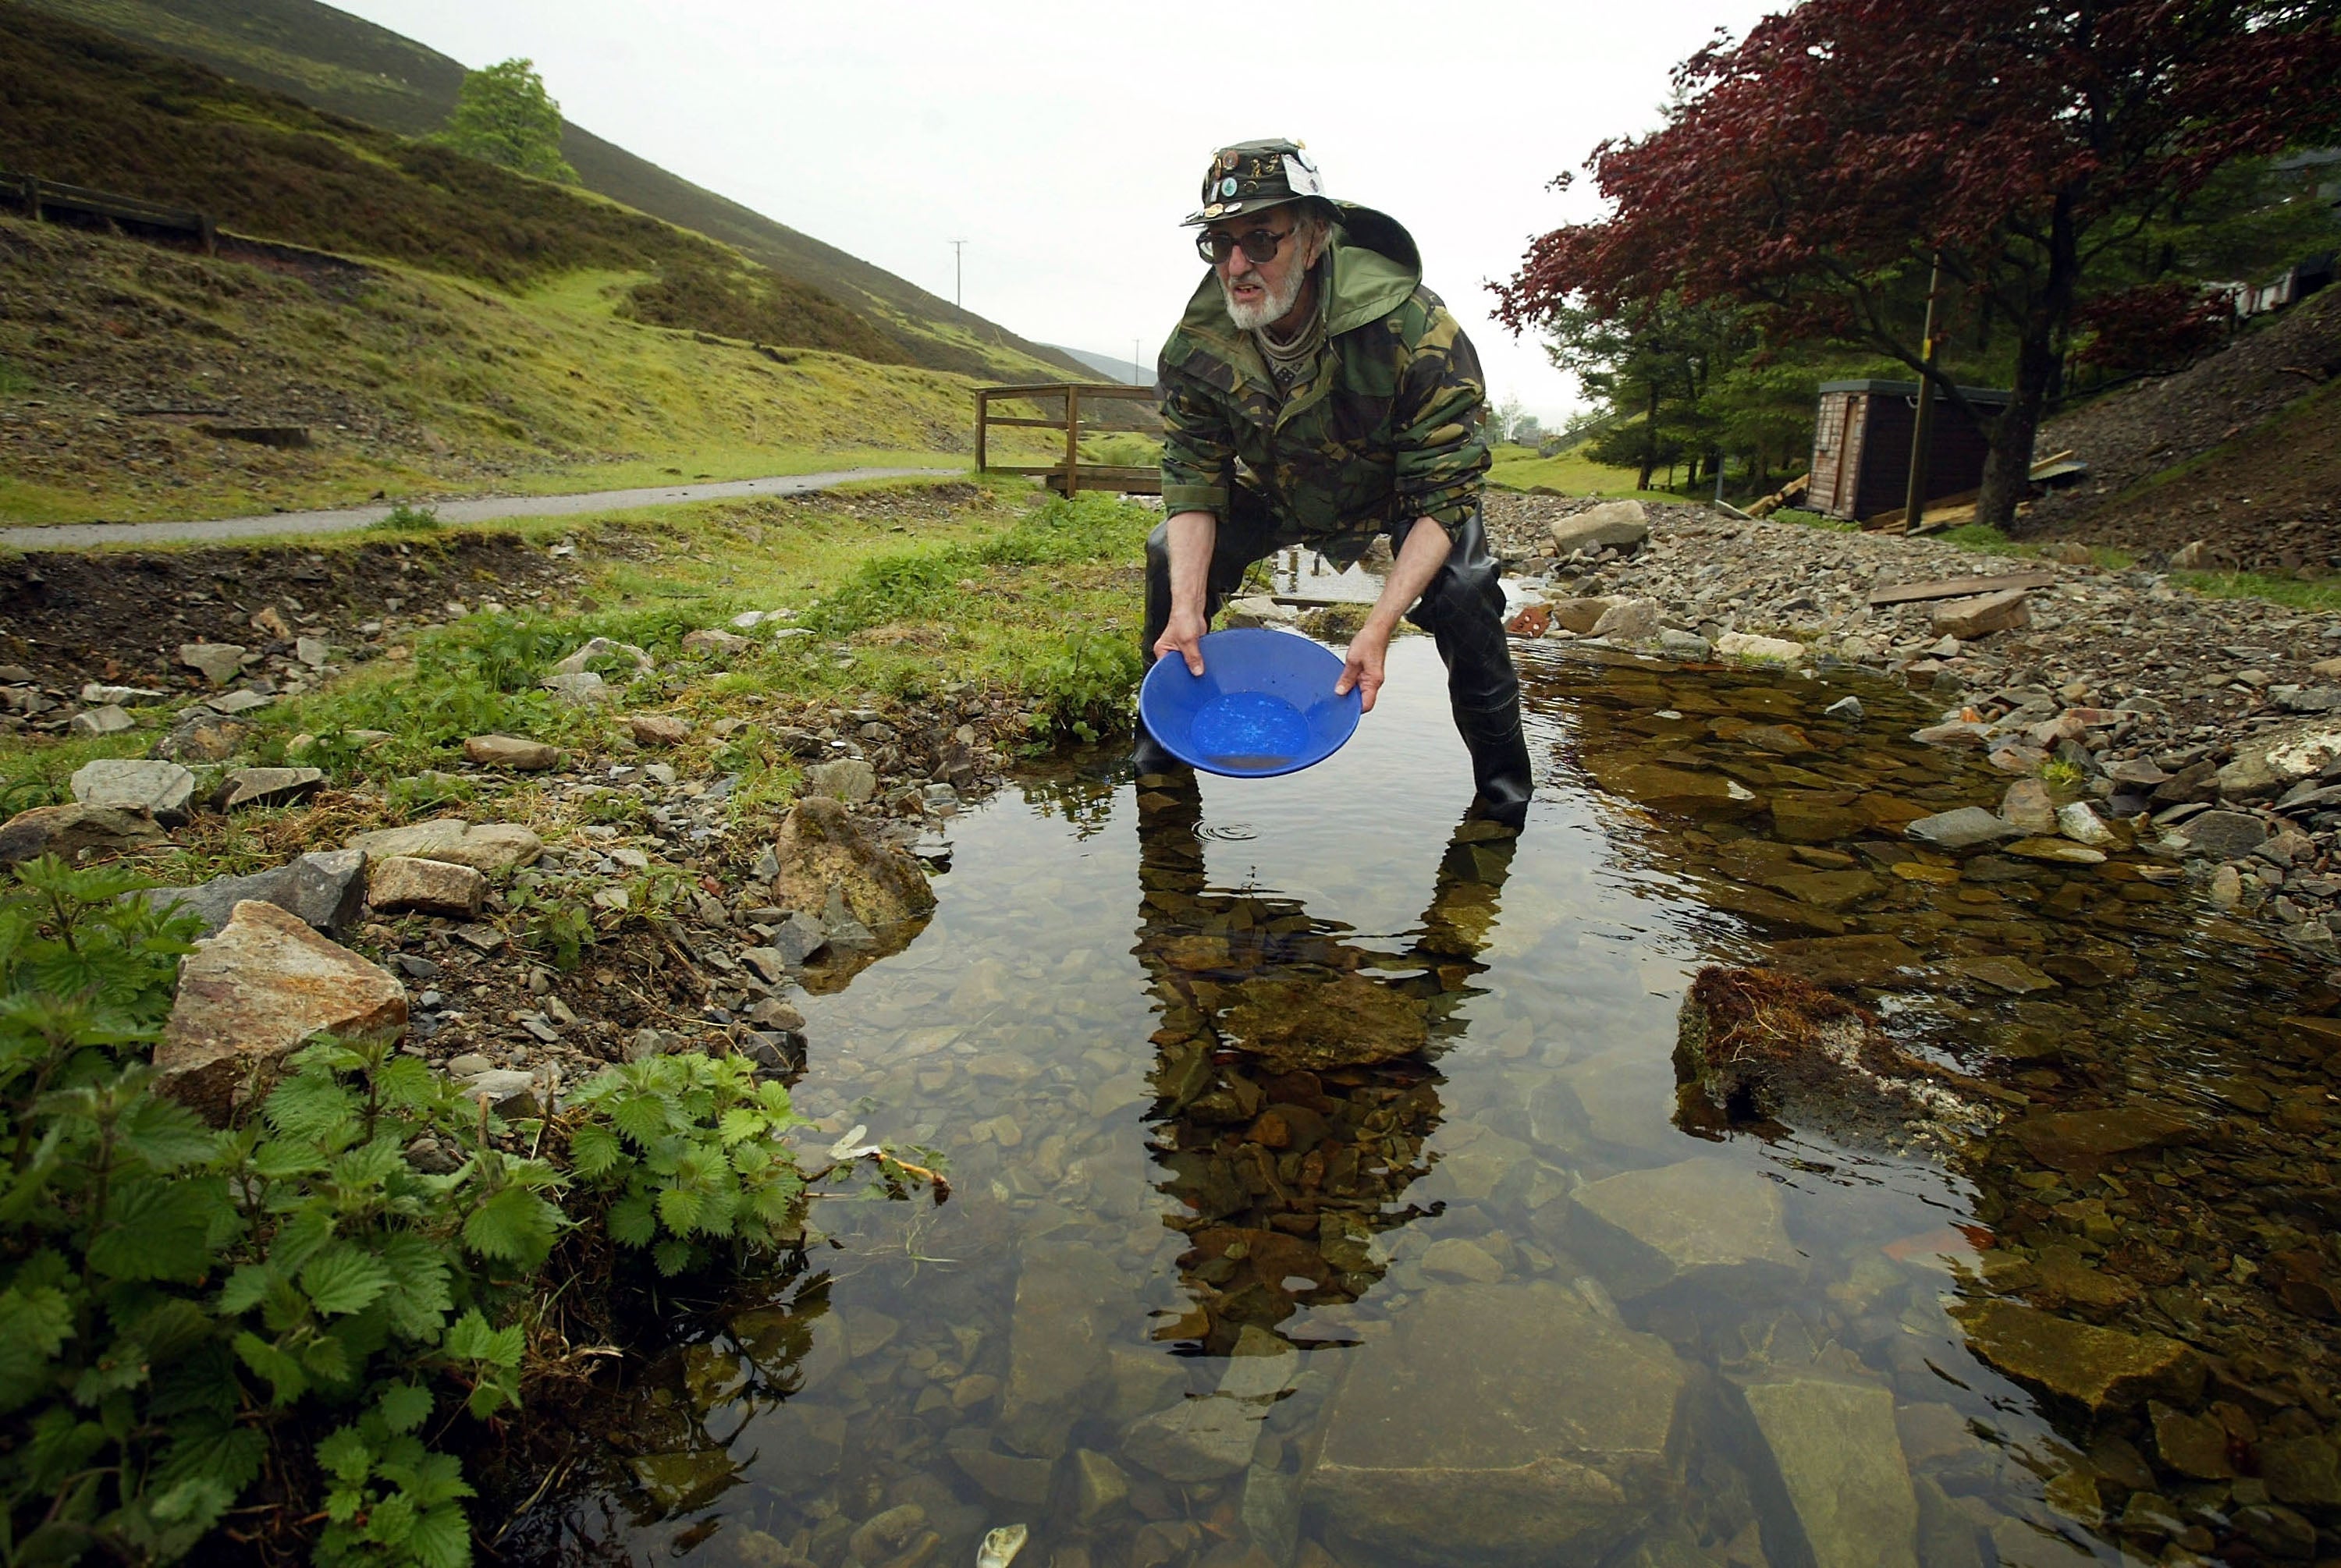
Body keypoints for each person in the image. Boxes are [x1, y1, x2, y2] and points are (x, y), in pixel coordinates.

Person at [1141, 137, 1533, 828]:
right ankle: (1161, 764)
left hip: (1401, 491)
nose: (1238, 266)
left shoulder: (1416, 330)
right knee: (1169, 557)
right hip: (1279, 485)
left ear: (1315, 236)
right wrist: (1188, 604)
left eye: (1261, 240)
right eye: (1220, 244)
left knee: (1467, 593)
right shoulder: (1198, 344)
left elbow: (1443, 493)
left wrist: (1379, 625)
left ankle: (1502, 802)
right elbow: (1195, 479)